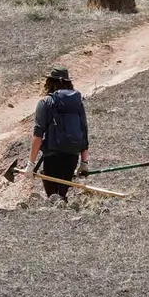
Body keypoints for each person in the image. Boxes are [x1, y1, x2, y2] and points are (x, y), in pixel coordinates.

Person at [27, 67, 89, 199]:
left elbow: (38, 134)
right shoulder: (78, 103)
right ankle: (63, 205)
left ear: (50, 82)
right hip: (73, 154)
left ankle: (58, 209)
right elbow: (84, 131)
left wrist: (30, 164)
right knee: (61, 193)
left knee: (53, 195)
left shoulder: (46, 102)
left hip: (53, 154)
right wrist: (84, 163)